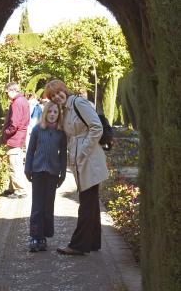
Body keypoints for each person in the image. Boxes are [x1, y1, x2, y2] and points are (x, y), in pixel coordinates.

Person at [44, 79, 109, 255]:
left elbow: (96, 127)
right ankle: (93, 242)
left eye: (58, 92)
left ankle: (78, 245)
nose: (57, 97)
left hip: (89, 159)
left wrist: (83, 153)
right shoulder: (65, 110)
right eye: (53, 96)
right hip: (81, 160)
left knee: (87, 203)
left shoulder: (78, 103)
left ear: (65, 90)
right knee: (91, 201)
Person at [25, 101, 67, 252]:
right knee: (37, 206)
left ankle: (44, 235)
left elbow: (63, 154)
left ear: (59, 115)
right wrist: (27, 168)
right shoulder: (37, 130)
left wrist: (62, 173)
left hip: (53, 174)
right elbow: (30, 151)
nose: (52, 115)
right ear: (45, 113)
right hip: (37, 172)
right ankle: (35, 237)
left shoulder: (61, 133)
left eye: (55, 112)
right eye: (50, 112)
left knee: (48, 206)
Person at [2, 82, 30, 198]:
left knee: (14, 165)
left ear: (12, 90)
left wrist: (5, 132)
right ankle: (12, 188)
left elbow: (15, 124)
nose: (7, 95)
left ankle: (20, 190)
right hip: (19, 137)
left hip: (14, 138)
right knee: (14, 163)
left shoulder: (17, 103)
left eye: (7, 92)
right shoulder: (23, 100)